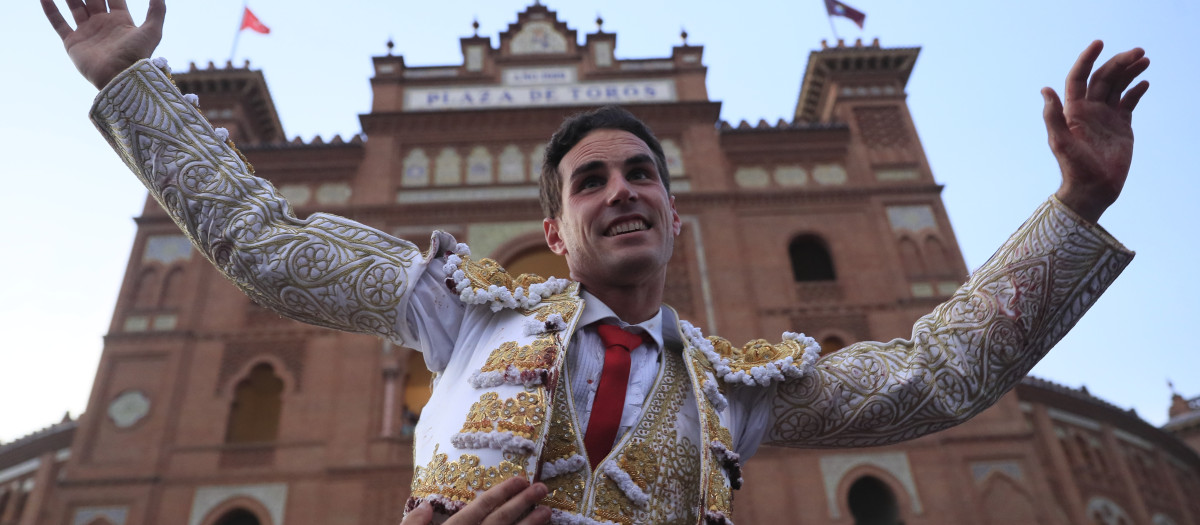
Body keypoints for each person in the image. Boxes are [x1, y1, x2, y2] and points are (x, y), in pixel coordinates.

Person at [41, 1, 1149, 524]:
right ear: (555, 234)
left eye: (642, 176)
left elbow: (935, 376)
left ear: (677, 221)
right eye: (589, 182)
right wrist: (132, 86)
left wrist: (1075, 206)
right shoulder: (465, 313)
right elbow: (267, 245)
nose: (620, 190)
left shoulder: (735, 389)